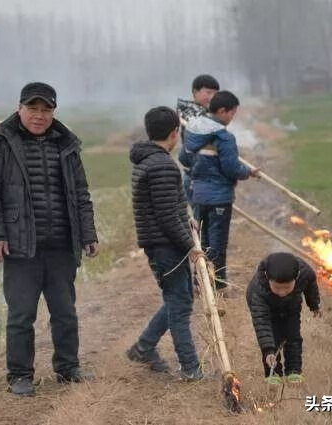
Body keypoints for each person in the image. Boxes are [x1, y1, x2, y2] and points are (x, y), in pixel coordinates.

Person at [0, 82, 100, 396]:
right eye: (33, 109)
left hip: (60, 244)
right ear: (20, 109)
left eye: (46, 110)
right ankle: (20, 376)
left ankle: (68, 368)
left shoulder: (66, 144)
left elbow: (81, 194)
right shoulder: (0, 142)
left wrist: (88, 233)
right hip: (20, 247)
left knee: (65, 312)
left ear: (53, 112)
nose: (40, 116)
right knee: (21, 315)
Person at [126, 106, 205, 380]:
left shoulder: (150, 160)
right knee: (180, 306)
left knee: (178, 299)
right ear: (175, 133)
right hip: (166, 245)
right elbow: (166, 215)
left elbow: (172, 205)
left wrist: (188, 220)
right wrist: (190, 246)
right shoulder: (161, 165)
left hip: (163, 243)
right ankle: (191, 369)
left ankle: (143, 347)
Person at [183, 90, 260, 289]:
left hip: (198, 195)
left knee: (201, 240)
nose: (232, 119)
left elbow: (184, 159)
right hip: (219, 198)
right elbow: (231, 168)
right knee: (217, 242)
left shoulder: (193, 130)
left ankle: (200, 281)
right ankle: (216, 284)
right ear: (223, 111)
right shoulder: (225, 137)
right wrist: (248, 172)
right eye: (232, 114)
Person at [246, 252, 321, 387]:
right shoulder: (257, 291)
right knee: (273, 340)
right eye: (277, 288)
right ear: (268, 279)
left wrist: (314, 305)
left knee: (293, 337)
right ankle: (273, 373)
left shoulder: (304, 273)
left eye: (286, 288)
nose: (281, 292)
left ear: (296, 277)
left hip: (291, 307)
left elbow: (311, 286)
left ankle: (294, 371)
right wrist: (268, 350)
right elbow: (262, 324)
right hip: (268, 311)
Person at [177, 74, 220, 203]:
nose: (212, 97)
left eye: (215, 94)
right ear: (195, 92)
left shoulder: (207, 114)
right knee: (202, 220)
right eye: (208, 92)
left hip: (208, 177)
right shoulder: (190, 113)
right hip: (197, 178)